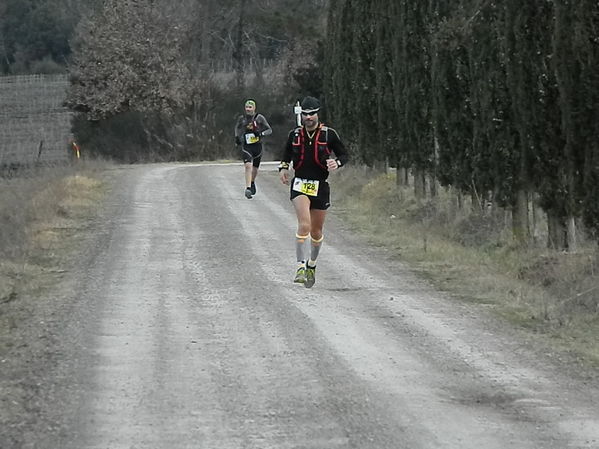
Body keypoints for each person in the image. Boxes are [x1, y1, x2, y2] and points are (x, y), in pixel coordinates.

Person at [278, 96, 349, 288]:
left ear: (318, 114)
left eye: (311, 114)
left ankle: (312, 264)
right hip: (300, 183)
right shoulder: (294, 135)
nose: (308, 118)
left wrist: (337, 162)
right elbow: (286, 154)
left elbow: (344, 154)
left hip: (320, 186)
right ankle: (300, 266)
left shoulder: (329, 134)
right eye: (305, 114)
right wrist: (283, 168)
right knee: (304, 225)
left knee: (316, 232)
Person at [234, 99, 272, 199]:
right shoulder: (242, 118)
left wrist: (260, 133)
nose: (248, 109)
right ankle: (248, 188)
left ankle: (252, 181)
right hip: (247, 146)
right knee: (248, 166)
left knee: (254, 169)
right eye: (246, 107)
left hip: (257, 146)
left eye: (250, 107)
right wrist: (237, 137)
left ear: (254, 108)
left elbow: (269, 130)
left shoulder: (259, 118)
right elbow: (237, 128)